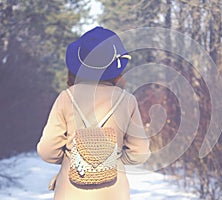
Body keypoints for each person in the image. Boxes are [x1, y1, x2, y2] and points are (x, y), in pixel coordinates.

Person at [37, 27, 151, 200]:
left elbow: (47, 150)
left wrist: (76, 160)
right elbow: (140, 152)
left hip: (70, 191)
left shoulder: (66, 98)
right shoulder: (127, 101)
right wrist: (111, 161)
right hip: (114, 192)